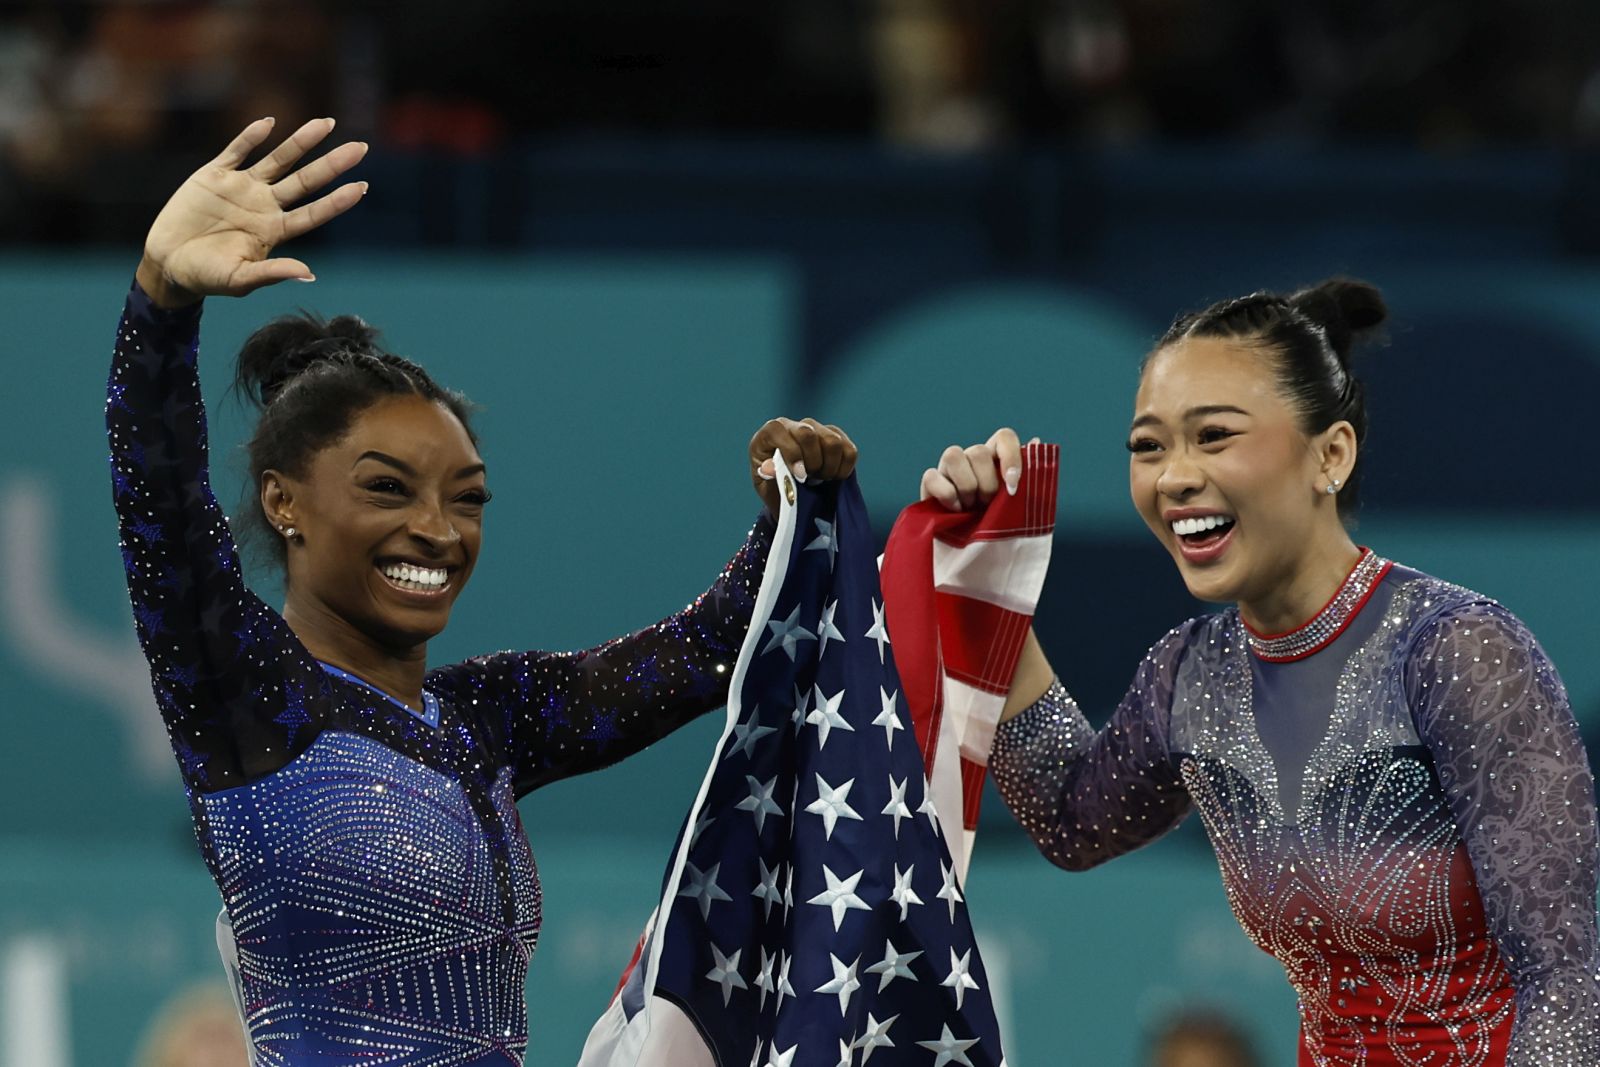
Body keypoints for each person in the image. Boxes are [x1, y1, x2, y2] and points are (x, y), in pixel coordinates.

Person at [108, 116, 857, 1065]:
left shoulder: (486, 720)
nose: (439, 529)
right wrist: (161, 303)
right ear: (283, 503)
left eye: (467, 499)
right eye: (388, 488)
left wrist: (789, 507)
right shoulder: (249, 695)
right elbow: (159, 501)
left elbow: (708, 650)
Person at [920, 279, 1600, 1065]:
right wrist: (989, 586)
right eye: (1149, 445)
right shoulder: (1192, 673)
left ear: (1330, 455)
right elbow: (1072, 818)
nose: (1173, 476)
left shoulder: (1458, 652)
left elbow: (1567, 985)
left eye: (1213, 436)